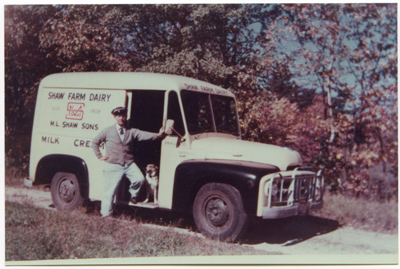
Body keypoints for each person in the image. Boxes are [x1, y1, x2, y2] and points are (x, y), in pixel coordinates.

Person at [92, 106, 165, 217]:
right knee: (109, 191)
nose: (121, 118)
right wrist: (100, 156)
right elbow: (95, 142)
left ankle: (133, 195)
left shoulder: (131, 131)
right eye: (119, 116)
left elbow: (143, 134)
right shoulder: (107, 131)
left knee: (139, 179)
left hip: (129, 164)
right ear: (115, 117)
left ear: (126, 116)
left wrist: (158, 135)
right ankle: (106, 215)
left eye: (123, 116)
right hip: (113, 164)